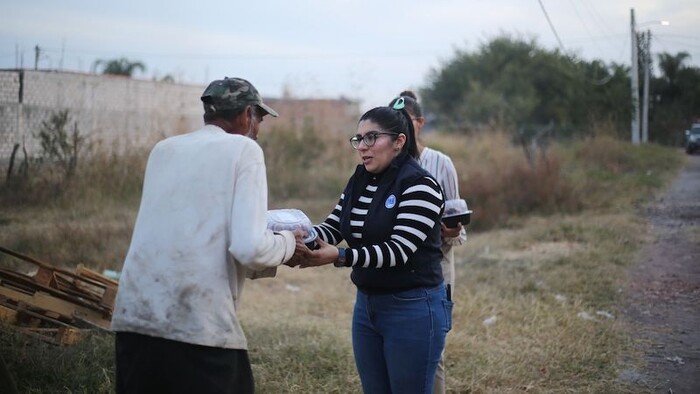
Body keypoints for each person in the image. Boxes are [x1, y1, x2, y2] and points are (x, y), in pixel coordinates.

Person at [111, 77, 305, 394]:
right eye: (259, 119)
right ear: (246, 115)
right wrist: (287, 243)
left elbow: (192, 230)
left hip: (136, 316)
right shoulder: (246, 150)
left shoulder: (164, 150)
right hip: (198, 324)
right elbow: (249, 248)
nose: (258, 128)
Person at [298, 98, 451, 394]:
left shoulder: (420, 185)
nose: (362, 146)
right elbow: (334, 226)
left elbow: (399, 249)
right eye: (358, 139)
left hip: (413, 308)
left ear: (399, 141)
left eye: (372, 137)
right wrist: (297, 236)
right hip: (367, 306)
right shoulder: (360, 179)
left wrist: (340, 256)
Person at [390, 91, 467, 394]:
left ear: (420, 123)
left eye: (407, 122)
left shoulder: (440, 163)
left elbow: (455, 219)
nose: (402, 130)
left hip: (436, 270)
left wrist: (447, 229)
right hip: (395, 273)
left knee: (433, 353)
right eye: (394, 123)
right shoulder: (384, 164)